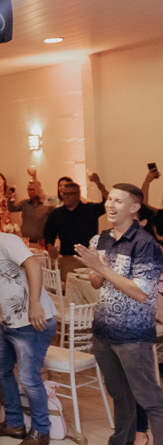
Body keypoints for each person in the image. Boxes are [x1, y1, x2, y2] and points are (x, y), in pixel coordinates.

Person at [74, 183, 163, 445]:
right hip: (103, 332)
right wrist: (95, 267)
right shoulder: (102, 238)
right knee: (119, 394)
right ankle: (121, 441)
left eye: (118, 201)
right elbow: (96, 282)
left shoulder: (145, 244)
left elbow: (141, 292)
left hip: (133, 336)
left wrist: (102, 268)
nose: (110, 205)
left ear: (134, 207)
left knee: (149, 399)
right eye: (109, 199)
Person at [0, 207, 57, 445]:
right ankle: (14, 423)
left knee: (29, 379)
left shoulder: (6, 240)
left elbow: (33, 264)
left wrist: (35, 304)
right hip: (6, 324)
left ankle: (41, 431)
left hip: (32, 322)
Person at [44, 181, 106, 280]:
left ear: (78, 195)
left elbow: (107, 204)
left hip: (90, 258)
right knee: (72, 284)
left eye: (70, 194)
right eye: (64, 193)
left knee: (94, 284)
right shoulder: (56, 214)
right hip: (68, 259)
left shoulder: (90, 209)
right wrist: (50, 246)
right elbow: (48, 232)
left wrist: (99, 184)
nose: (66, 197)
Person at [8, 180, 52, 248]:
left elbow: (55, 221)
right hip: (25, 242)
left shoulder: (48, 204)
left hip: (40, 245)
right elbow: (12, 209)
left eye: (33, 189)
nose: (31, 192)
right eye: (29, 189)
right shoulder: (24, 203)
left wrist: (48, 238)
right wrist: (10, 197)